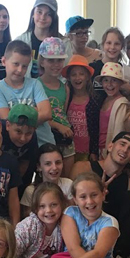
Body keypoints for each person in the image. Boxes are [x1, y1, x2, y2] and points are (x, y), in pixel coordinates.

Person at [71, 131, 130, 258]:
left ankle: (120, 255)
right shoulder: (83, 167)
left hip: (112, 232)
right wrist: (95, 193)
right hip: (85, 226)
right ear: (110, 146)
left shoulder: (128, 183)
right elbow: (69, 204)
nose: (125, 150)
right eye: (122, 144)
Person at [0, 39, 54, 147]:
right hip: (18, 148)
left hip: (44, 143)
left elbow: (47, 113)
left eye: (24, 66)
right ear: (4, 61)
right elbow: (7, 120)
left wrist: (18, 119)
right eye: (16, 64)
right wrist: (34, 111)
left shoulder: (35, 84)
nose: (20, 70)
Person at [38, 37, 75, 173]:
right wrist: (58, 126)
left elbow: (63, 113)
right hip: (45, 138)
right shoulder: (35, 85)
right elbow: (37, 116)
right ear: (42, 61)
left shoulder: (65, 87)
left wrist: (63, 128)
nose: (56, 64)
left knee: (66, 177)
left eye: (59, 60)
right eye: (51, 60)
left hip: (64, 138)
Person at [88, 63, 130, 161]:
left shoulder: (122, 104)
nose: (109, 84)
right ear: (102, 83)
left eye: (114, 80)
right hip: (100, 148)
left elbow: (119, 130)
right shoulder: (103, 100)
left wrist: (113, 152)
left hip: (111, 149)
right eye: (106, 80)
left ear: (120, 83)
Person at [15, 0, 69, 78]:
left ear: (54, 18)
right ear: (33, 14)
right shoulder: (20, 41)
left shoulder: (64, 43)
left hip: (54, 85)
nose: (43, 17)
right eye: (39, 12)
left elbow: (66, 74)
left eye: (48, 14)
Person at [20, 143, 73, 217]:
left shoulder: (68, 184)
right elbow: (28, 220)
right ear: (39, 167)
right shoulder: (31, 191)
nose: (54, 167)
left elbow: (73, 215)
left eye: (58, 162)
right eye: (48, 164)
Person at [63, 55, 95, 160]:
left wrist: (94, 151)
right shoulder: (66, 97)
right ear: (68, 77)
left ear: (87, 77)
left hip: (86, 151)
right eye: (73, 74)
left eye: (81, 74)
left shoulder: (94, 99)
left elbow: (96, 127)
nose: (77, 78)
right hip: (67, 149)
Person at [89, 27, 130, 97]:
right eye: (109, 43)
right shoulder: (92, 68)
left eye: (117, 44)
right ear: (103, 45)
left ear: (122, 47)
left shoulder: (126, 72)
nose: (112, 47)